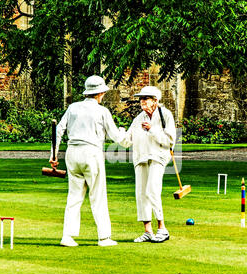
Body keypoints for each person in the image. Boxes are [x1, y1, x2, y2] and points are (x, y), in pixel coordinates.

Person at [50, 75, 126, 247]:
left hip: (72, 153)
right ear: (100, 94)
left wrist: (53, 155)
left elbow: (58, 131)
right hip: (91, 153)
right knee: (97, 195)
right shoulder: (102, 111)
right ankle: (104, 237)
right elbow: (116, 137)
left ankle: (67, 236)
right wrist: (124, 132)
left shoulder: (73, 108)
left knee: (74, 196)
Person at [120, 86, 176, 243]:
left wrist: (153, 130)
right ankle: (147, 231)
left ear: (155, 100)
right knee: (141, 193)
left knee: (152, 190)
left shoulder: (165, 115)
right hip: (140, 158)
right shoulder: (138, 119)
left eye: (146, 98)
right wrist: (119, 133)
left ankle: (162, 228)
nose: (142, 101)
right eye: (141, 99)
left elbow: (170, 141)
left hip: (158, 157)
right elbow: (127, 141)